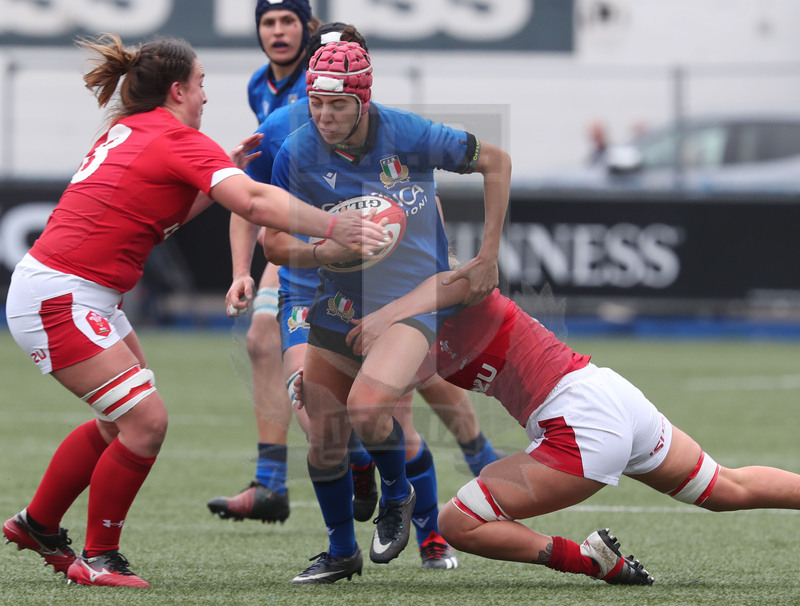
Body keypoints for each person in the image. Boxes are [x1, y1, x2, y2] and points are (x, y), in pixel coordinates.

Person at [1, 33, 385, 589]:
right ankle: (99, 558)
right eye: (201, 84)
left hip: (70, 291)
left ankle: (37, 524)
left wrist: (219, 170)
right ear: (177, 89)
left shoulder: (131, 130)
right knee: (146, 422)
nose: (206, 96)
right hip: (62, 296)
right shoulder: (176, 139)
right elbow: (253, 201)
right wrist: (333, 224)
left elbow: (162, 205)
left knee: (119, 423)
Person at [209, 22, 502, 539]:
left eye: (345, 82)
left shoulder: (400, 131)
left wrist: (463, 256)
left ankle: (441, 511)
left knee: (398, 399)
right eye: (319, 90)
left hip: (390, 280)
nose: (327, 105)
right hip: (313, 277)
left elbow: (429, 192)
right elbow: (252, 207)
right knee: (315, 404)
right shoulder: (284, 130)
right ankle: (318, 504)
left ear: (364, 82)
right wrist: (245, 271)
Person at [346, 269, 800, 585]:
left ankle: (588, 561)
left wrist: (386, 313)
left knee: (458, 523)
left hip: (580, 421)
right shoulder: (414, 333)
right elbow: (384, 400)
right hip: (605, 394)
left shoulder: (461, 286)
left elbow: (463, 274)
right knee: (727, 489)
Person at [204, 0, 320, 525]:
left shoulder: (322, 70)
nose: (277, 31)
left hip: (329, 225)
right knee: (263, 338)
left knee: (423, 374)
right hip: (292, 226)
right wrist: (240, 272)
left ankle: (365, 467)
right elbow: (257, 182)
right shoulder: (260, 85)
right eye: (268, 22)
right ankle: (273, 483)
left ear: (306, 27)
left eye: (287, 21)